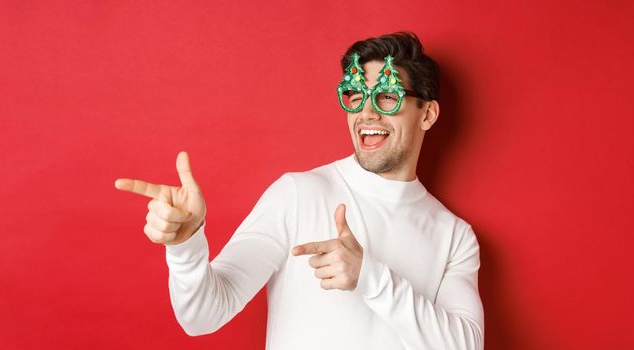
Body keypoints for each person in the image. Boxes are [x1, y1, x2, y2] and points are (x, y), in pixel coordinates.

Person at [115, 32, 483, 349]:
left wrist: (369, 276)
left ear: (428, 114)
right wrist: (186, 247)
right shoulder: (298, 194)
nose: (367, 112)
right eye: (355, 95)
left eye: (387, 96)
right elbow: (203, 315)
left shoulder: (453, 236)